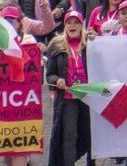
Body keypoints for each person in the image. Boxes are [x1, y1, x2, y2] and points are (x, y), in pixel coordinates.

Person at [45, 10, 91, 166]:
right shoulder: (57, 46)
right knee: (69, 135)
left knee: (90, 135)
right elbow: (49, 75)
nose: (73, 26)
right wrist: (57, 80)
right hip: (67, 99)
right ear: (64, 26)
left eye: (76, 22)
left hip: (88, 97)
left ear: (82, 26)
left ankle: (91, 163)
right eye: (69, 23)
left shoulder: (90, 44)